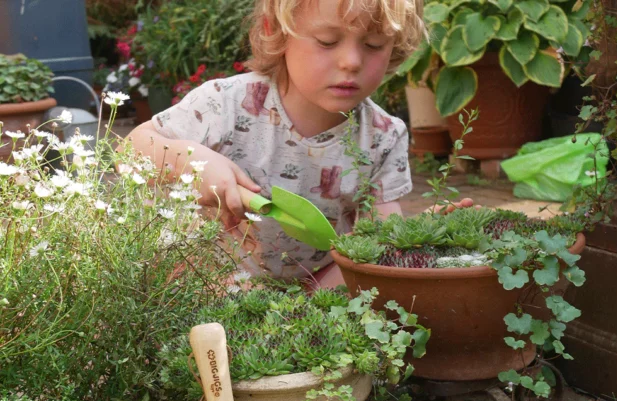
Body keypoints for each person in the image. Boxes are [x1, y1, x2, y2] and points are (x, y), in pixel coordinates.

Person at [127, 0, 424, 287]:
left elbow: (378, 244)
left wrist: (414, 238)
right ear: (276, 32)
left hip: (312, 297)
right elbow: (130, 149)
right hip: (206, 287)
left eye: (374, 45)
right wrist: (188, 161)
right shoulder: (224, 104)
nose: (351, 61)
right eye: (327, 41)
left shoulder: (383, 135)